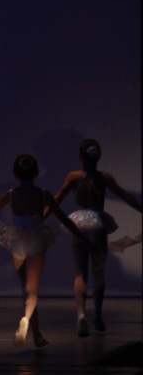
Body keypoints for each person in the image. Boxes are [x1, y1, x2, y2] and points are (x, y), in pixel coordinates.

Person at [0, 154, 93, 348]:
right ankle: (26, 321)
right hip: (36, 241)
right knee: (32, 291)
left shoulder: (11, 194)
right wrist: (83, 239)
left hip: (18, 242)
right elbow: (64, 218)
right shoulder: (43, 194)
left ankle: (36, 334)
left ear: (16, 174)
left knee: (26, 289)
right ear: (36, 173)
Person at [49, 139, 142, 335]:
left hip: (79, 223)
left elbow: (56, 199)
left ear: (80, 157)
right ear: (98, 157)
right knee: (98, 271)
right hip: (98, 222)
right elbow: (125, 196)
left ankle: (81, 314)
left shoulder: (73, 177)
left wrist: (40, 217)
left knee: (80, 273)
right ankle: (98, 315)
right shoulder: (104, 178)